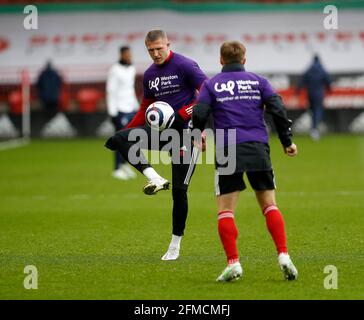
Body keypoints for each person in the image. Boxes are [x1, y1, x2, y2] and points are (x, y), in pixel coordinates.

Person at [192, 41, 298, 282]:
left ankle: (233, 263)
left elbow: (199, 112)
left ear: (221, 60)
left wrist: (198, 137)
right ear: (244, 58)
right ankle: (283, 255)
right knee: (269, 205)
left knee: (225, 210)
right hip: (258, 147)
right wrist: (286, 141)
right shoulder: (259, 81)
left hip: (228, 148)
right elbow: (277, 109)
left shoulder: (211, 84)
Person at [105, 30, 207, 260]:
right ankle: (155, 177)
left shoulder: (185, 65)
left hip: (185, 134)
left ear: (168, 44)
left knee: (180, 191)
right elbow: (145, 108)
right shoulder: (150, 74)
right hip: (161, 132)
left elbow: (207, 92)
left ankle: (175, 244)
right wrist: (126, 131)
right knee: (121, 138)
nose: (155, 53)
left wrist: (184, 114)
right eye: (150, 50)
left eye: (159, 48)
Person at [106, 46, 139, 180]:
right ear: (121, 54)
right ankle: (117, 168)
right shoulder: (115, 70)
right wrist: (112, 111)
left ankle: (126, 165)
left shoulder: (132, 68)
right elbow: (111, 91)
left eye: (130, 54)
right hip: (120, 109)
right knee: (120, 139)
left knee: (132, 139)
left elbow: (130, 89)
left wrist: (136, 106)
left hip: (131, 107)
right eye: (127, 54)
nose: (129, 56)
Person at [296, 55, 332, 140]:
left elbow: (302, 81)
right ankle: (315, 129)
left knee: (312, 112)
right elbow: (328, 81)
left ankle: (313, 129)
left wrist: (297, 91)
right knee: (318, 111)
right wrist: (330, 90)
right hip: (319, 95)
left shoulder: (309, 70)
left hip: (310, 94)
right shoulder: (322, 70)